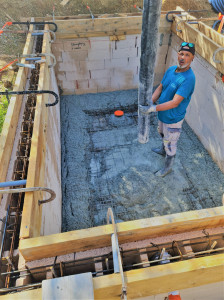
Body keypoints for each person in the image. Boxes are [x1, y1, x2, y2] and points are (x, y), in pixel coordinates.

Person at [139, 42, 196, 177]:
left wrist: (153, 108)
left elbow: (175, 102)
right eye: (181, 53)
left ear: (192, 58)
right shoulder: (171, 70)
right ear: (178, 54)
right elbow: (160, 87)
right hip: (163, 114)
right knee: (162, 133)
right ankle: (162, 150)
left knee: (171, 143)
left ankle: (167, 167)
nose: (183, 57)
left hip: (173, 118)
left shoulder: (189, 79)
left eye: (187, 55)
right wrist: (150, 101)